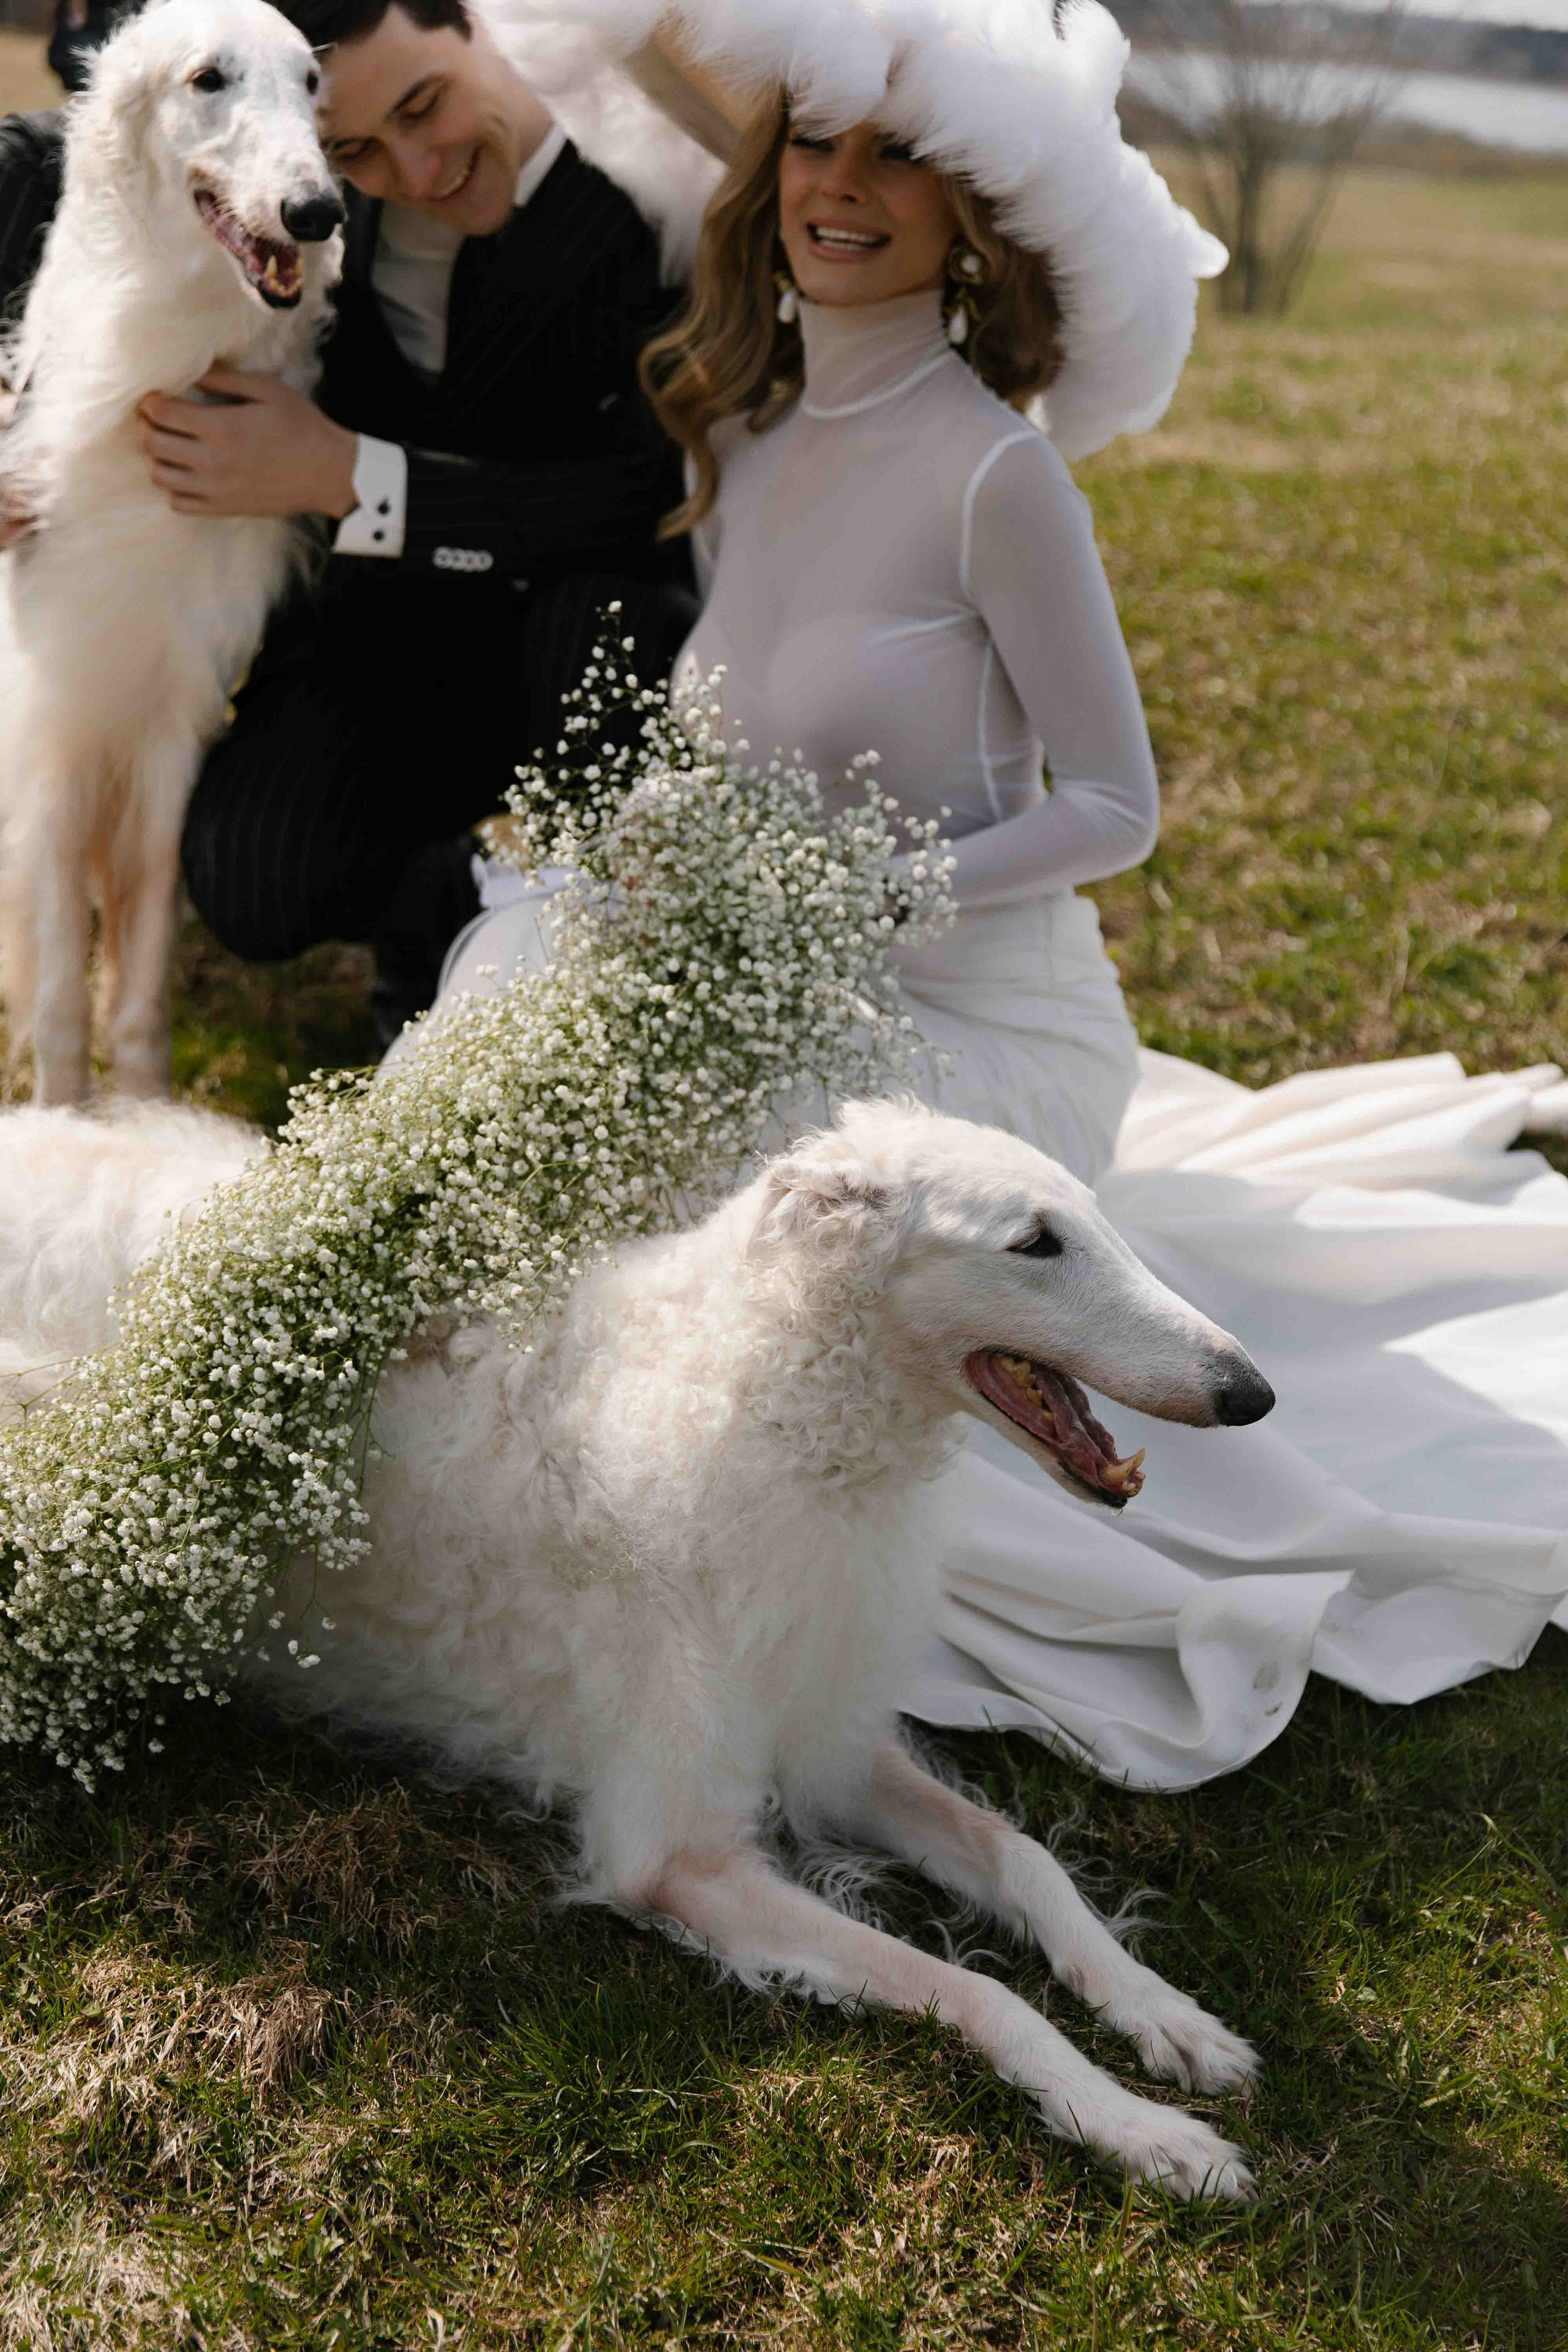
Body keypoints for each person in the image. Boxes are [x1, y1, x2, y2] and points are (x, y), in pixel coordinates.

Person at [432, 0, 1568, 1792]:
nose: (845, 185)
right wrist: (656, 839)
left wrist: (882, 894)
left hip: (982, 1017)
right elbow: (753, 748)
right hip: (797, 962)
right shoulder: (746, 433)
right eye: (819, 142)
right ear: (769, 173)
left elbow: (1118, 805)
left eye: (905, 158)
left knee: (792, 1189)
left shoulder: (998, 470)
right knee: (512, 979)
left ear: (977, 223)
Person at [0, 0, 709, 1041]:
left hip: (576, 622)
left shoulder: (653, 197)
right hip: (380, 640)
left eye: (426, 108)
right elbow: (50, 158)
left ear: (477, 22)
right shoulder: (306, 183)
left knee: (613, 625)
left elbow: (642, 498)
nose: (416, 172)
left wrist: (352, 478)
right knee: (251, 876)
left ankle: (581, 961)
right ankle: (442, 908)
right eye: (357, 151)